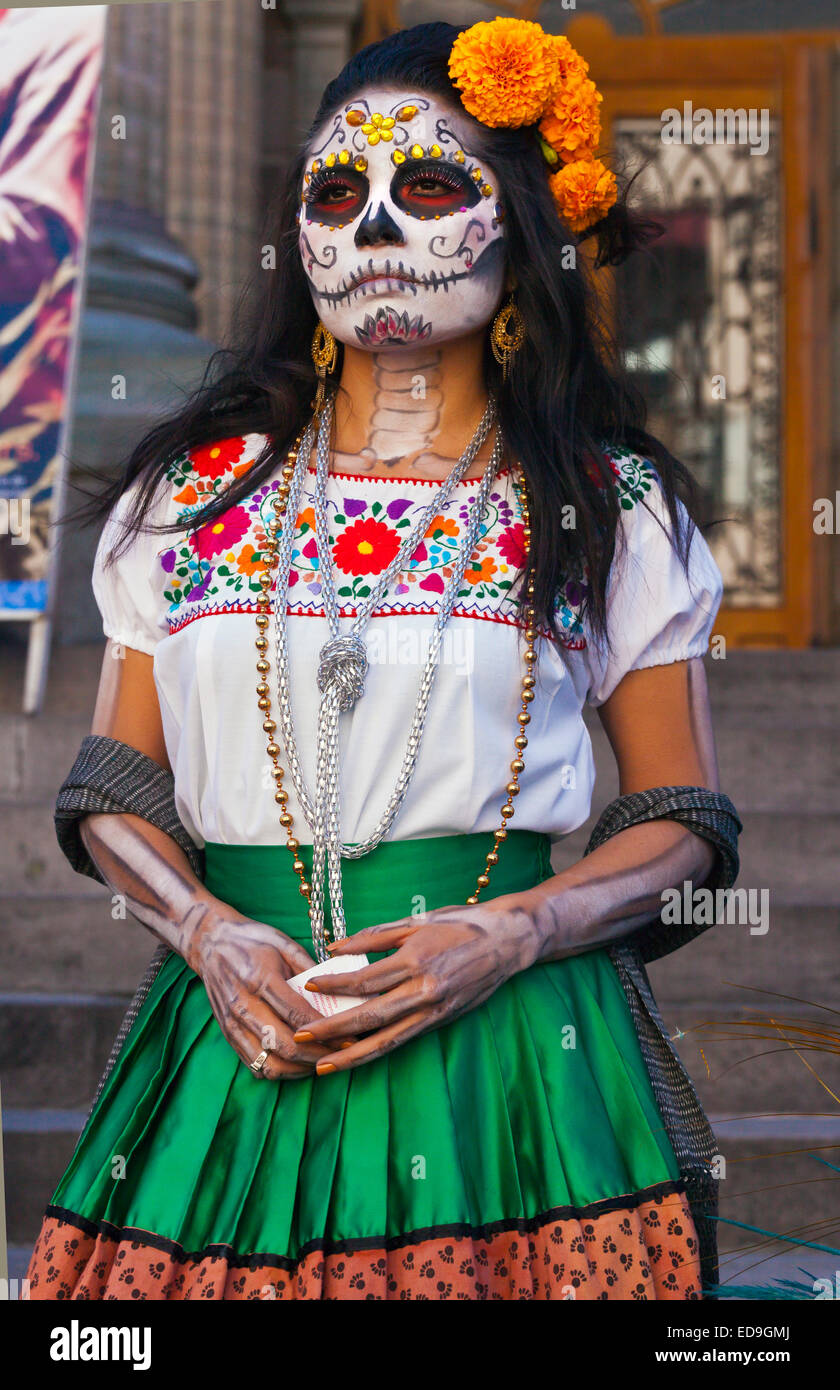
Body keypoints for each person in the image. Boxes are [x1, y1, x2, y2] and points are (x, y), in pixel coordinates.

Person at [26, 18, 739, 1301]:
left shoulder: (608, 508)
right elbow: (111, 788)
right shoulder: (188, 499)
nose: (372, 232)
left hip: (511, 1063)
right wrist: (202, 930)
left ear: (517, 229)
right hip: (233, 1050)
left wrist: (512, 934)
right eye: (336, 194)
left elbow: (680, 817)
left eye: (427, 188)